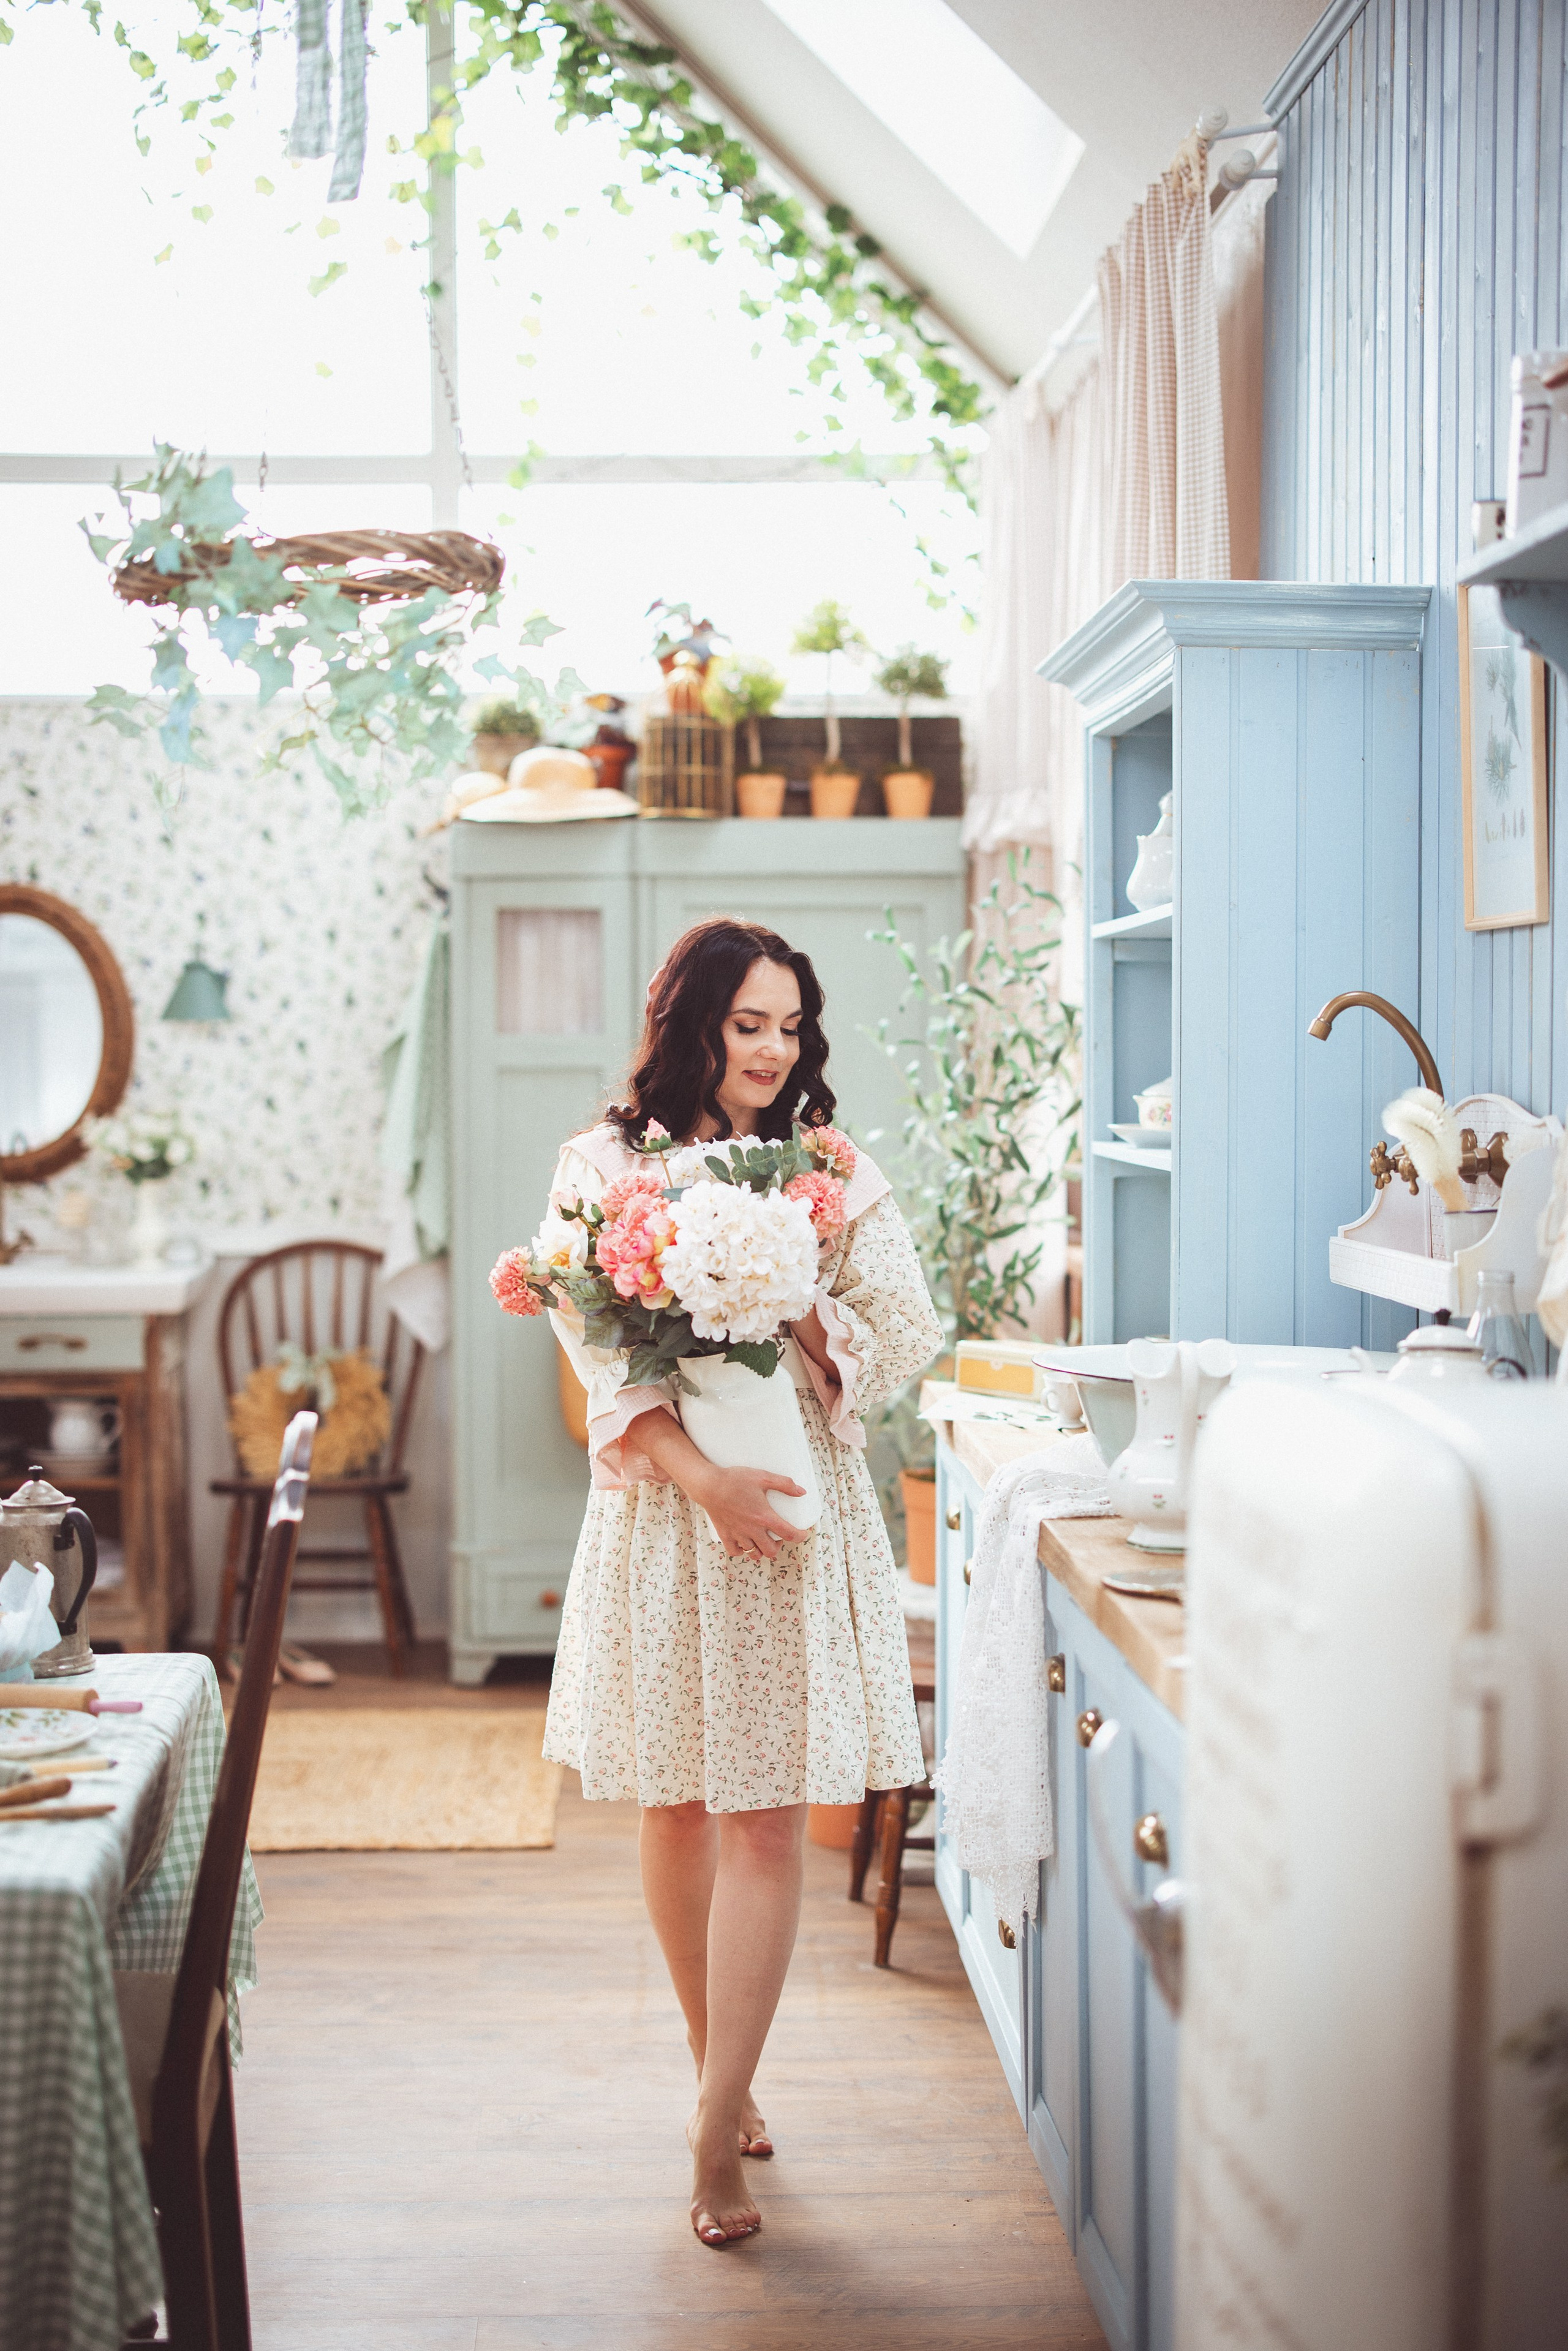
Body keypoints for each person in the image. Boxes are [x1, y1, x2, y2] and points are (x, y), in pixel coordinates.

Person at [540, 916, 943, 2249]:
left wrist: (794, 1293)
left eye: (790, 1025)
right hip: (671, 1515)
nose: (772, 1048)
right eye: (746, 1022)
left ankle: (714, 2124)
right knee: (676, 1802)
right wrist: (698, 1475)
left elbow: (904, 1328)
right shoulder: (602, 1168)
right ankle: (723, 2062)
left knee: (766, 1816)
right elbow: (603, 1362)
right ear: (693, 1022)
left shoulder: (828, 1165)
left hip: (789, 1514)